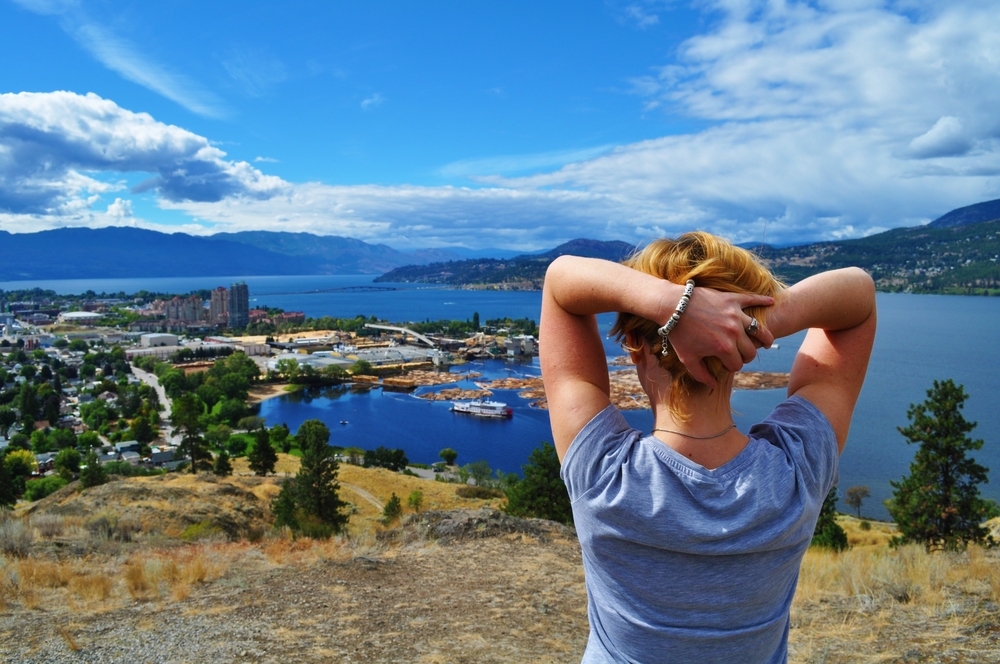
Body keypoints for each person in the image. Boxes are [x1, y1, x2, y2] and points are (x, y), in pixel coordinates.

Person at [540, 232, 876, 663]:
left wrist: (672, 305)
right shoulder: (796, 471)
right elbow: (859, 295)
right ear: (741, 345)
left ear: (635, 347)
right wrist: (753, 320)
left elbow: (561, 282)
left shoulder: (602, 474)